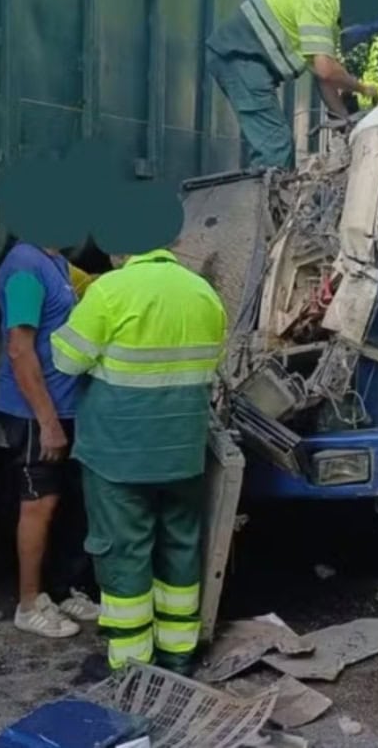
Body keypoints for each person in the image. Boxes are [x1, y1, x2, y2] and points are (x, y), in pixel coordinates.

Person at [51, 242, 227, 675]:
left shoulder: (110, 292)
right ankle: (178, 655)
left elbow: (65, 360)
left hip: (118, 455)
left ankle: (131, 665)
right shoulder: (204, 293)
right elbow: (212, 363)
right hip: (183, 452)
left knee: (125, 554)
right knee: (180, 550)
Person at [0, 241, 101, 638]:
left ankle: (63, 589)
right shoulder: (24, 267)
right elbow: (20, 350)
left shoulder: (54, 261)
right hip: (37, 409)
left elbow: (89, 286)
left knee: (71, 501)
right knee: (40, 503)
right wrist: (48, 420)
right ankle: (29, 602)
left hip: (68, 406)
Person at [205, 0, 378, 170]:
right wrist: (363, 88)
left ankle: (266, 199)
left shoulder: (329, 15)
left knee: (276, 143)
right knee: (275, 145)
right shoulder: (318, 4)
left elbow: (324, 79)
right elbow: (327, 70)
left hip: (244, 58)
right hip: (239, 56)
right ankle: (261, 204)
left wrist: (345, 122)